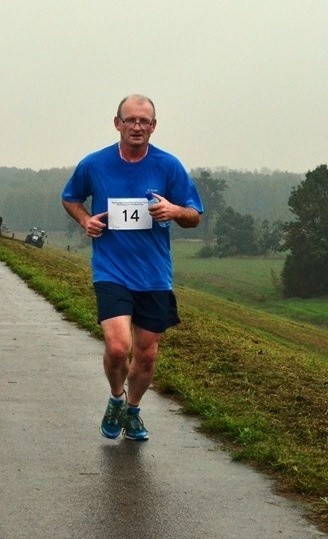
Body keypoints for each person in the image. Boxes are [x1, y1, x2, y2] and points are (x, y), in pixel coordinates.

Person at [61, 94, 204, 441]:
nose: (137, 126)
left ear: (153, 126)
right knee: (116, 346)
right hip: (111, 270)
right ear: (117, 123)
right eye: (130, 120)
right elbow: (70, 197)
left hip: (154, 274)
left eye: (144, 121)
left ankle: (134, 409)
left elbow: (194, 215)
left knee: (148, 354)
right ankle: (115, 398)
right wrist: (85, 221)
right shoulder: (94, 164)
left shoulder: (169, 166)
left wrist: (174, 211)